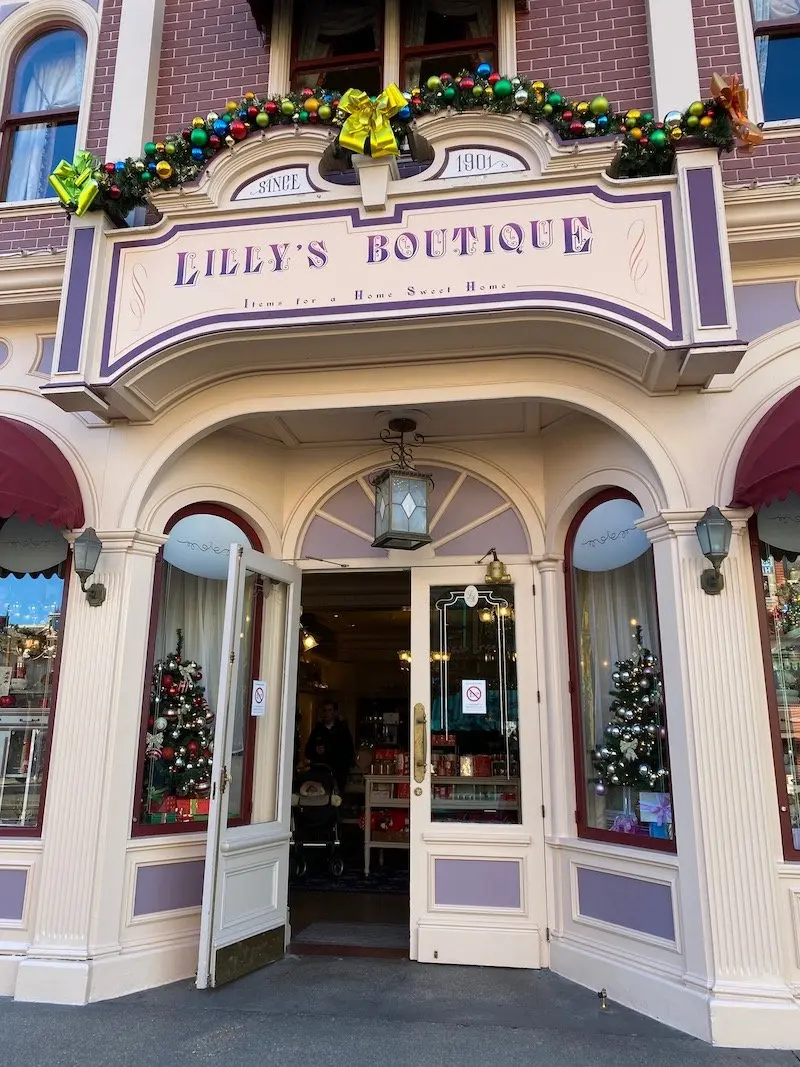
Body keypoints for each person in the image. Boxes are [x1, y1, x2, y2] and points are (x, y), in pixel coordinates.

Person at [304, 700, 354, 794]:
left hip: (338, 774)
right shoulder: (317, 731)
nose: (327, 713)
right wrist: (316, 751)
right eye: (325, 710)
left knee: (336, 802)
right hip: (320, 774)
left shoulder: (343, 731)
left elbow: (349, 753)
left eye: (329, 710)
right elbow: (307, 751)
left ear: (335, 712)